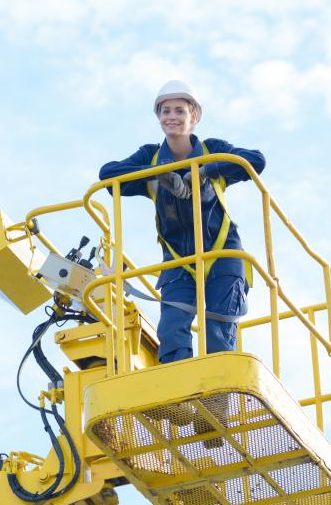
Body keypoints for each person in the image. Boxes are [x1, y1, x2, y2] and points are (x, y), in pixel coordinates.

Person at [99, 79, 265, 363]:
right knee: (172, 329)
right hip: (177, 260)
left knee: (218, 331)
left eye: (179, 111)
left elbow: (255, 160)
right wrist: (159, 173)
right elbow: (108, 174)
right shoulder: (149, 156)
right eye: (165, 111)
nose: (172, 117)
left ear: (194, 117)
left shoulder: (212, 149)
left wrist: (204, 170)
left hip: (222, 255)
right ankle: (180, 396)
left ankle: (218, 398)